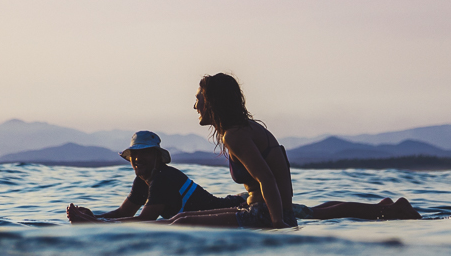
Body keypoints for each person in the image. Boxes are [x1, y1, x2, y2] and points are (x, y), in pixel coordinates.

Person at [174, 73, 422, 228]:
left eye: (199, 99)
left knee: (181, 221)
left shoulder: (234, 135)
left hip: (264, 213)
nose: (195, 105)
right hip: (271, 207)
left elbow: (266, 178)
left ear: (214, 102)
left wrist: (277, 222)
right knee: (320, 210)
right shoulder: (246, 129)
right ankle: (386, 208)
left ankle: (134, 231)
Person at [66, 131, 245, 224]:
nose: (137, 159)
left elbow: (145, 220)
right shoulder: (143, 180)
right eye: (134, 154)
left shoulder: (163, 179)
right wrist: (93, 216)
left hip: (235, 207)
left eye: (144, 153)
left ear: (157, 157)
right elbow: (124, 213)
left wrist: (94, 223)